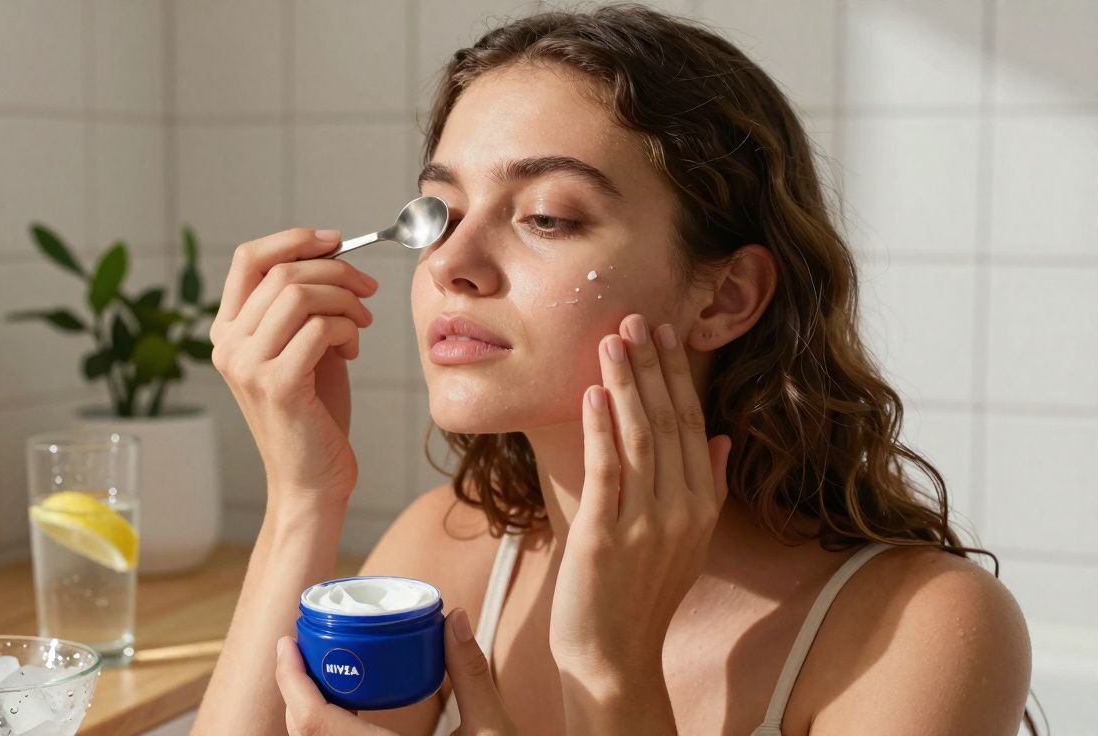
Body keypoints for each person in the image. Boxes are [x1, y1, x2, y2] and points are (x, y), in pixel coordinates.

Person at [193, 4, 1033, 735]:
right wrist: (304, 496)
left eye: (548, 216)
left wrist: (612, 670)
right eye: (440, 211)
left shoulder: (921, 631)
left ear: (727, 296)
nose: (454, 261)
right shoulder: (448, 551)